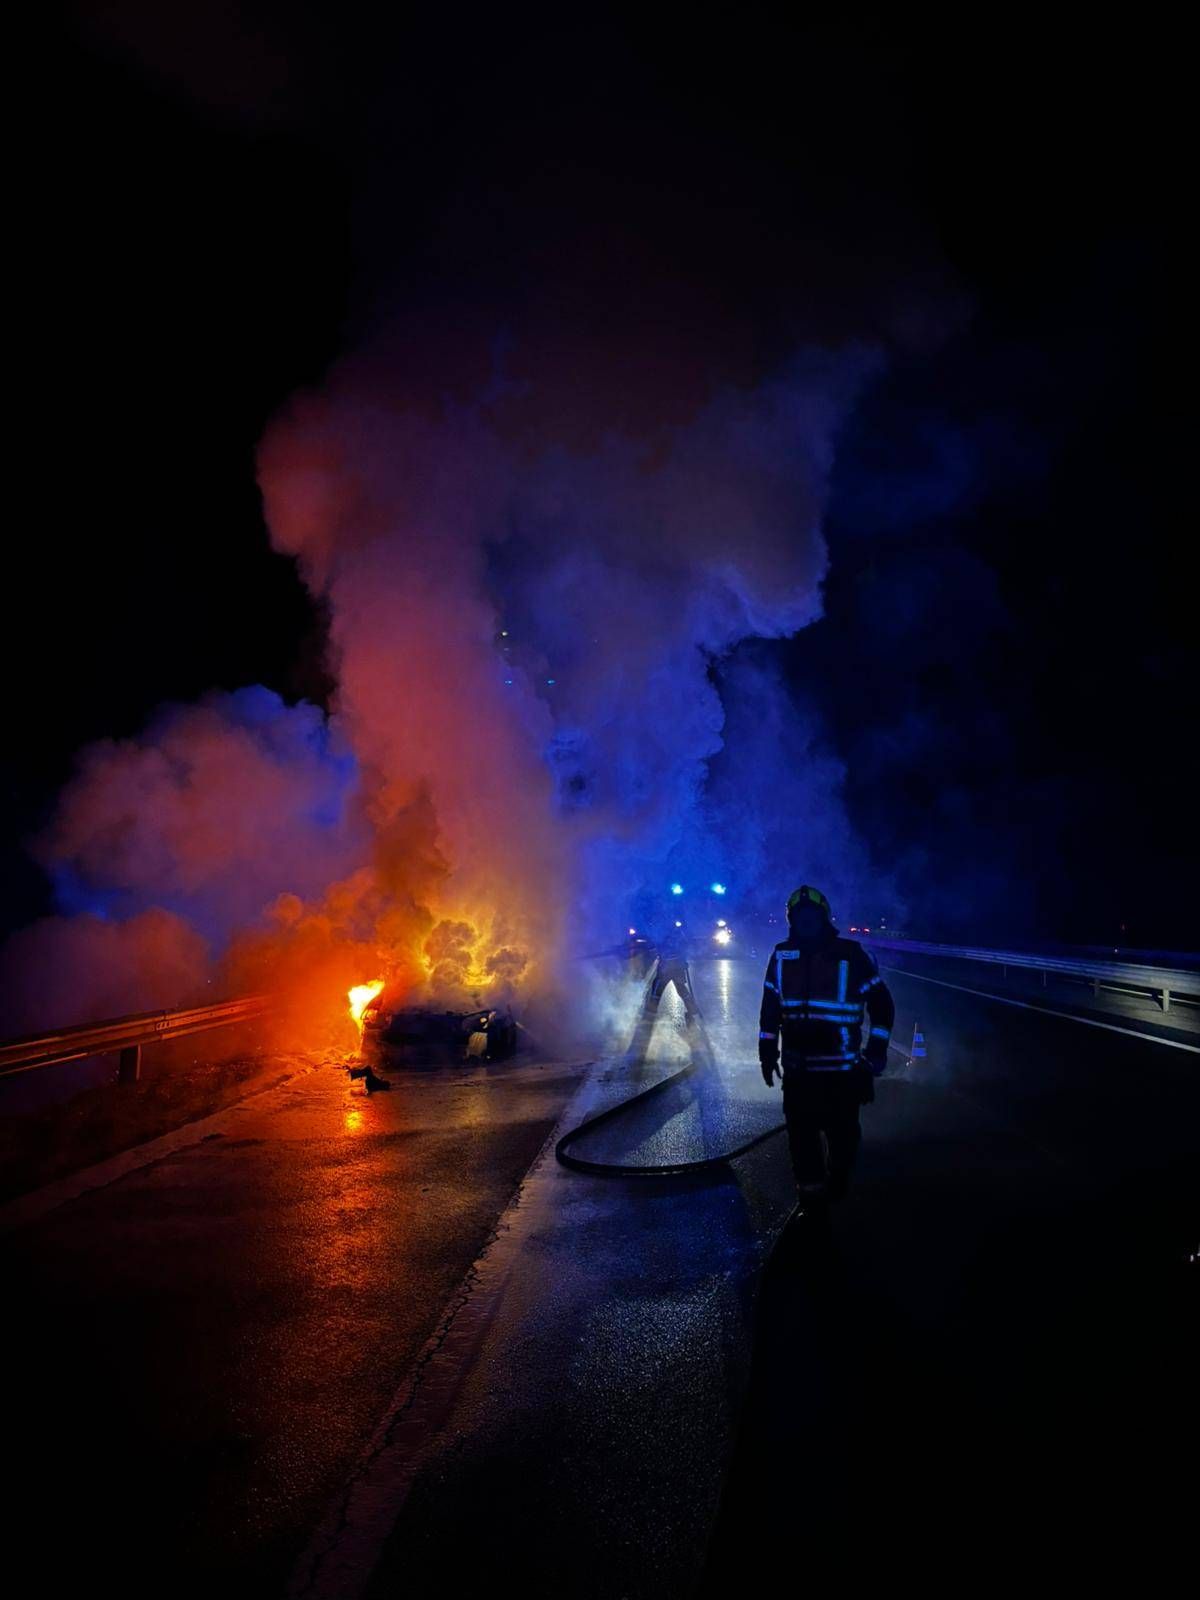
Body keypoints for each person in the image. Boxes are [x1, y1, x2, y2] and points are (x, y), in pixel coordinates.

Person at [758, 885, 894, 1201]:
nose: (806, 921)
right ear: (791, 920)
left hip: (842, 1075)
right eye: (799, 916)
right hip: (798, 1074)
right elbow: (769, 1010)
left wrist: (875, 1052)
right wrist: (767, 1053)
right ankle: (812, 1206)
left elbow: (882, 1006)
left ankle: (837, 1188)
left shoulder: (851, 955)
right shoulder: (781, 956)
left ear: (824, 917)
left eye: (812, 915)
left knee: (843, 1142)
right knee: (802, 1143)